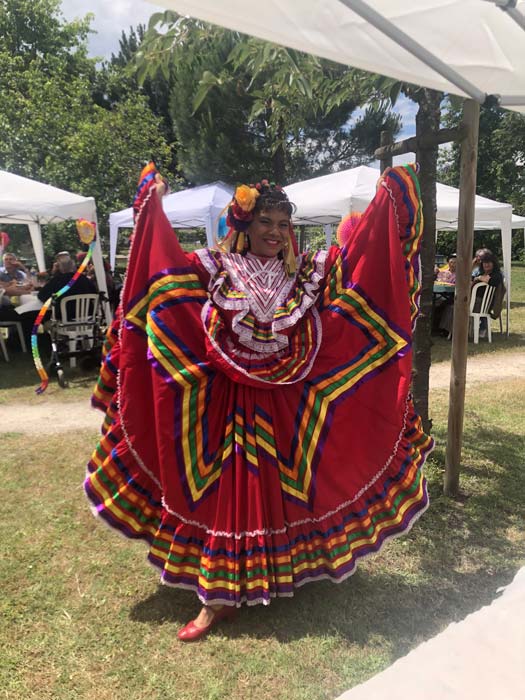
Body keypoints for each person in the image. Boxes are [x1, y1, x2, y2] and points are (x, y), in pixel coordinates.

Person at [84, 164, 433, 641]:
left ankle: (268, 576)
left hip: (286, 400)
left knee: (283, 486)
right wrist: (154, 209)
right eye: (266, 221)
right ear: (243, 224)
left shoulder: (307, 272)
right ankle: (215, 599)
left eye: (283, 223)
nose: (275, 232)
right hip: (224, 402)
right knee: (225, 489)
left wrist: (384, 206)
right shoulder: (213, 266)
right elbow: (164, 277)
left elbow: (356, 268)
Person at [38, 252, 97, 320]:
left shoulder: (56, 280)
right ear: (72, 265)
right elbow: (94, 294)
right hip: (87, 318)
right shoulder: (84, 279)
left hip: (64, 320)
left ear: (59, 267)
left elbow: (41, 296)